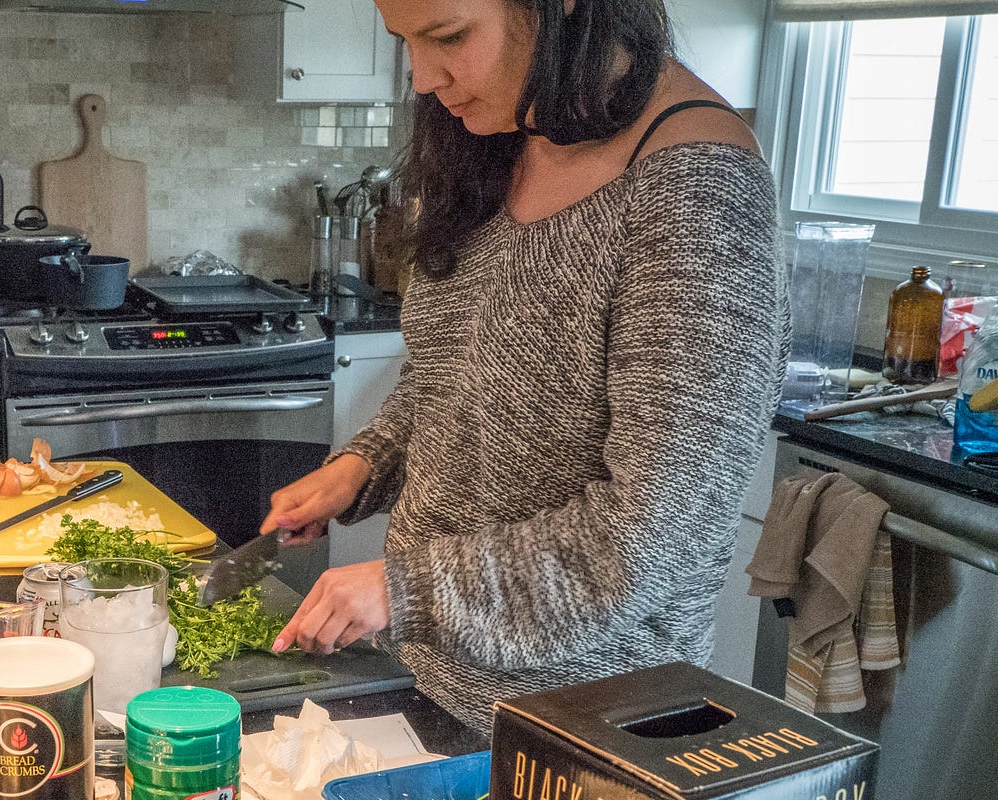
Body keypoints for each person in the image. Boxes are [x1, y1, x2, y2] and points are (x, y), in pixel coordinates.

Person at [262, 0, 789, 736]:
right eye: (405, 41)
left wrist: (403, 590)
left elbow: (649, 540)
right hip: (431, 682)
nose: (423, 78)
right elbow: (452, 371)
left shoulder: (697, 191)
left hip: (584, 731)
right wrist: (365, 464)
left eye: (448, 36)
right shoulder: (501, 133)